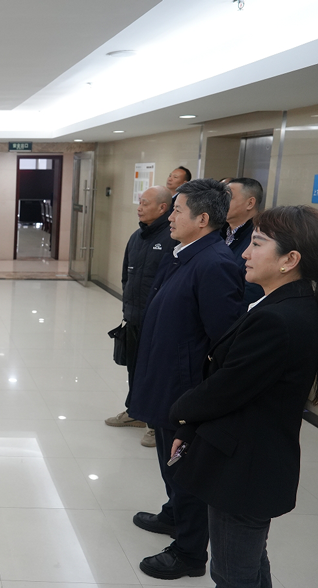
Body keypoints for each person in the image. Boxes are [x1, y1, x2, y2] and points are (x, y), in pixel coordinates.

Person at [169, 205, 318, 587]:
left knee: (232, 574)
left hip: (245, 467)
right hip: (250, 457)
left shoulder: (280, 319)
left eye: (257, 244)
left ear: (290, 260)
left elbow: (226, 388)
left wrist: (179, 412)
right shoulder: (286, 304)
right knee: (250, 565)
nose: (246, 254)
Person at [127, 179, 244, 580]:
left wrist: (198, 400)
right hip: (166, 380)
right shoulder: (183, 253)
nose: (171, 217)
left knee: (185, 471)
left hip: (185, 390)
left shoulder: (214, 264)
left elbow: (223, 341)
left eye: (177, 211)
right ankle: (174, 514)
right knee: (170, 465)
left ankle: (189, 552)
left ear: (203, 218)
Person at [105, 186, 176, 448]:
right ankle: (135, 411)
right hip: (134, 317)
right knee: (134, 368)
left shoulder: (172, 239)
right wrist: (128, 310)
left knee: (156, 373)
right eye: (140, 202)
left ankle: (157, 424)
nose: (140, 208)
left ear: (162, 208)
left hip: (159, 321)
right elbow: (127, 276)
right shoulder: (137, 237)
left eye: (145, 203)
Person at [222, 177, 265, 305]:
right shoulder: (218, 231)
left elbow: (253, 289)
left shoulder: (261, 238)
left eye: (228, 197)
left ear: (250, 203)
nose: (221, 202)